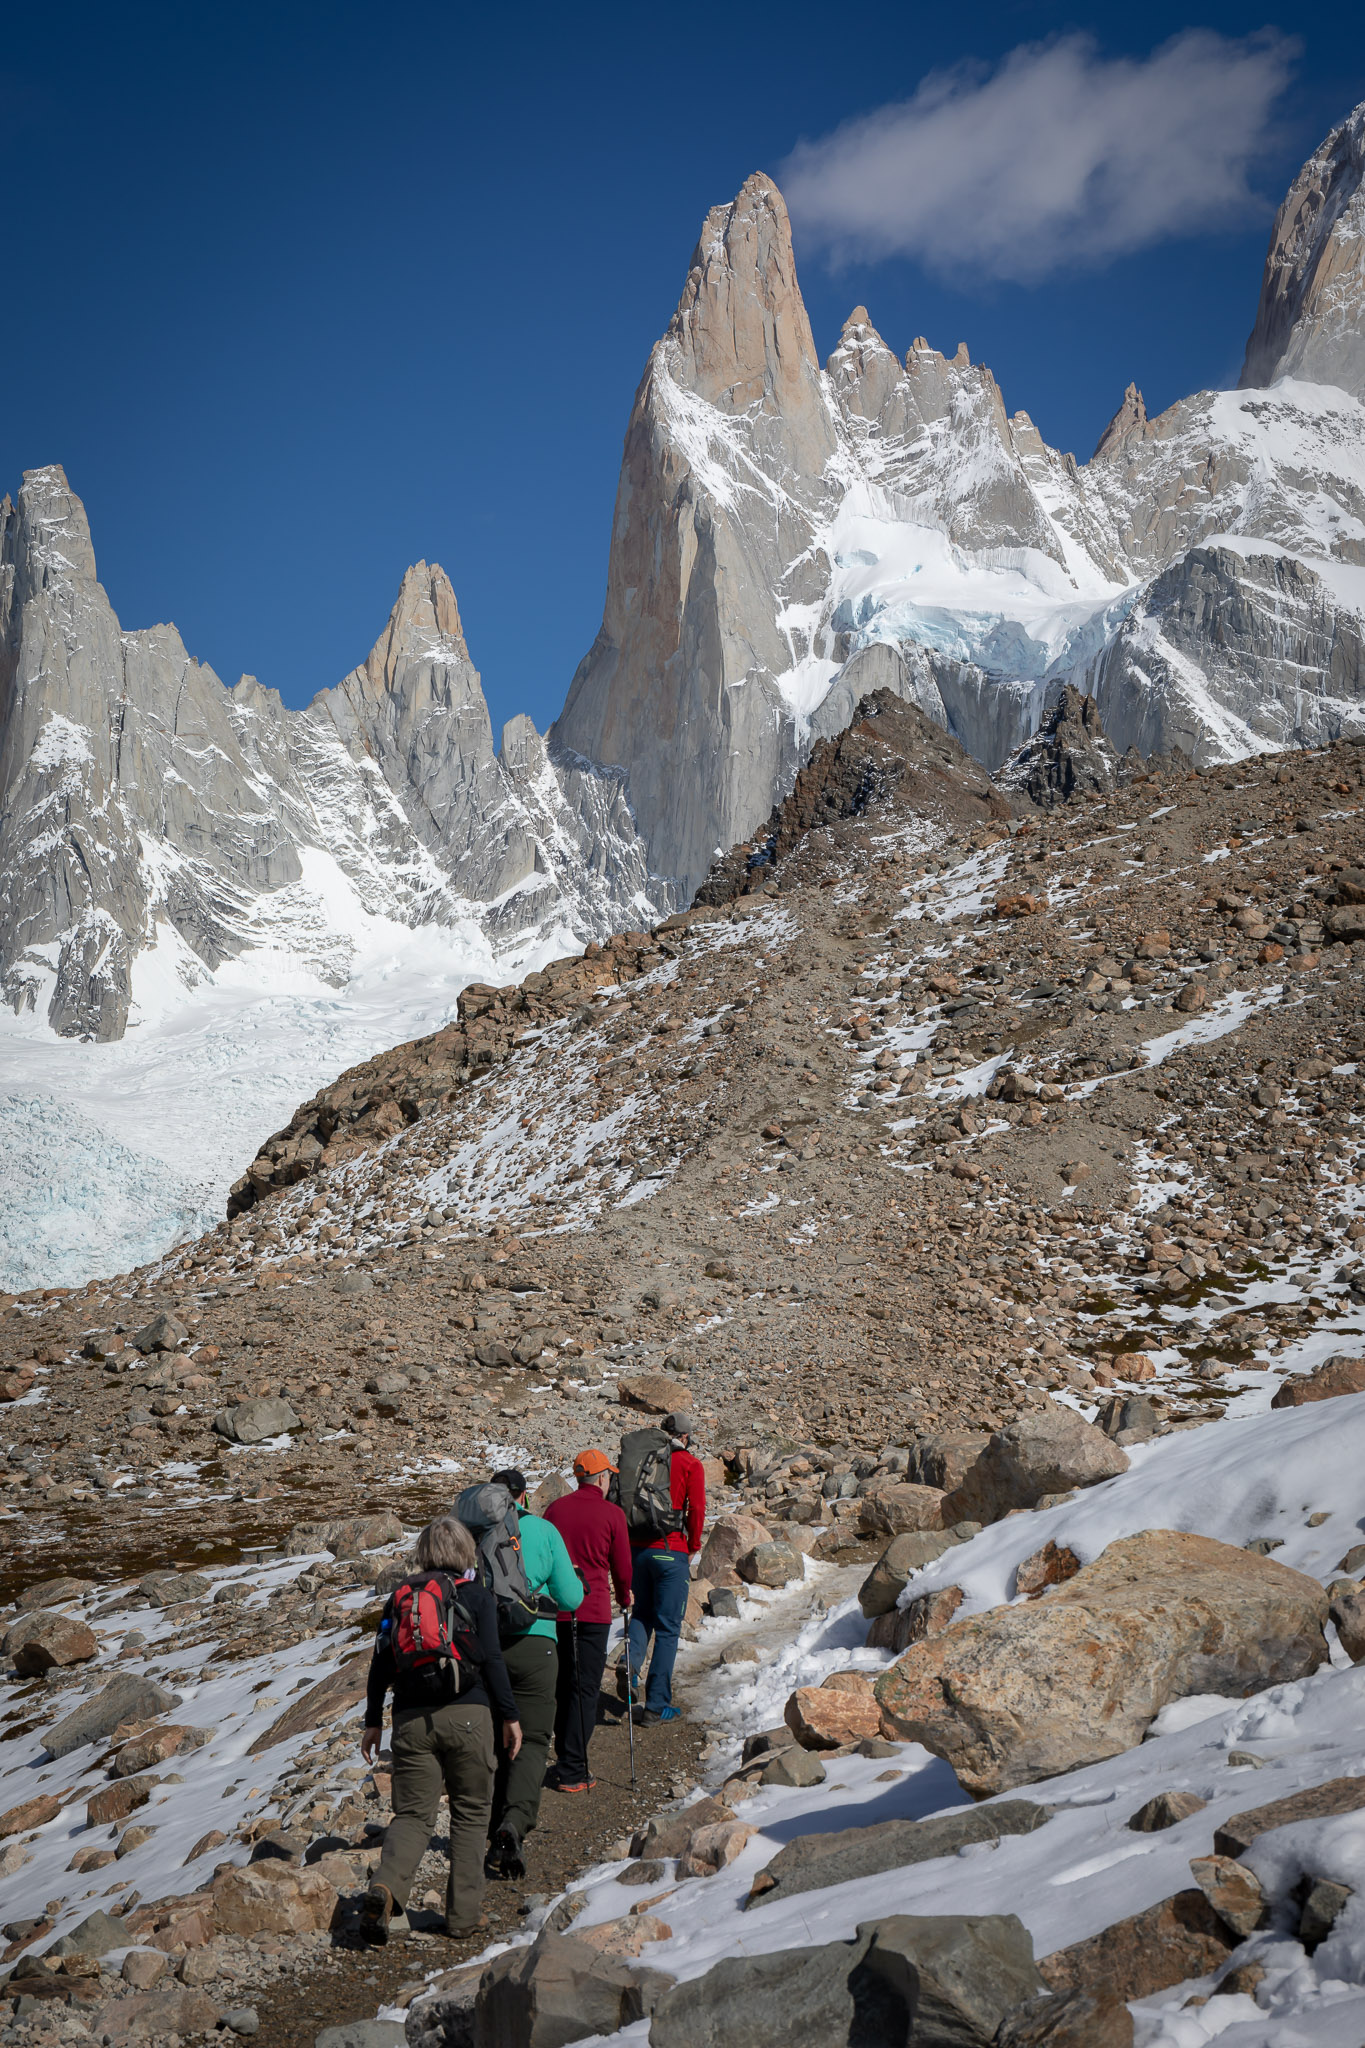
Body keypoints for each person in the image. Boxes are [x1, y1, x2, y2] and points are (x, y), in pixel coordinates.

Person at [359, 1516, 521, 1944]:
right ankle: (463, 1917)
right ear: (465, 1552)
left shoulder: (400, 1598)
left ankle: (387, 1887)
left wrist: (373, 1721)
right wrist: (510, 1716)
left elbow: (380, 1665)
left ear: (425, 1552)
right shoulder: (476, 1595)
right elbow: (492, 1661)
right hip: (469, 1715)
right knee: (470, 1813)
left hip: (411, 1720)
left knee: (413, 1815)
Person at [484, 1467, 584, 1879]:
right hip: (537, 1645)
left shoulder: (472, 1534)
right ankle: (514, 1823)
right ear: (523, 1496)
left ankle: (482, 1827)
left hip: (486, 1648)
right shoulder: (543, 1531)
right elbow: (572, 1598)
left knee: (492, 1737)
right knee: (535, 1739)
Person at [542, 1447, 633, 1792]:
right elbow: (622, 1568)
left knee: (563, 1685)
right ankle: (573, 1768)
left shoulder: (554, 1510)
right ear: (602, 1478)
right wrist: (625, 1598)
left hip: (556, 1613)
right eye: (609, 1475)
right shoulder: (611, 1514)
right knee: (585, 1688)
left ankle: (566, 1757)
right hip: (592, 1612)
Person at [624, 1410, 705, 1725]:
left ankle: (629, 1665)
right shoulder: (690, 1464)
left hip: (637, 1550)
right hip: (671, 1552)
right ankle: (656, 1707)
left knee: (643, 1612)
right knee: (669, 1629)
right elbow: (696, 1508)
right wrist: (693, 1546)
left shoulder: (643, 1459)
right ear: (684, 1437)